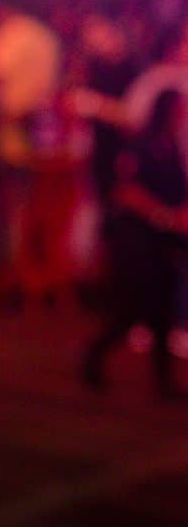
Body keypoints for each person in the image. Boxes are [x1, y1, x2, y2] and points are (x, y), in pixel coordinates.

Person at [80, 86, 188, 399]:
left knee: (161, 313)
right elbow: (126, 191)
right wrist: (164, 215)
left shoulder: (171, 146)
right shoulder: (143, 146)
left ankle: (163, 382)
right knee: (131, 311)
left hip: (162, 242)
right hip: (138, 241)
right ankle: (94, 357)